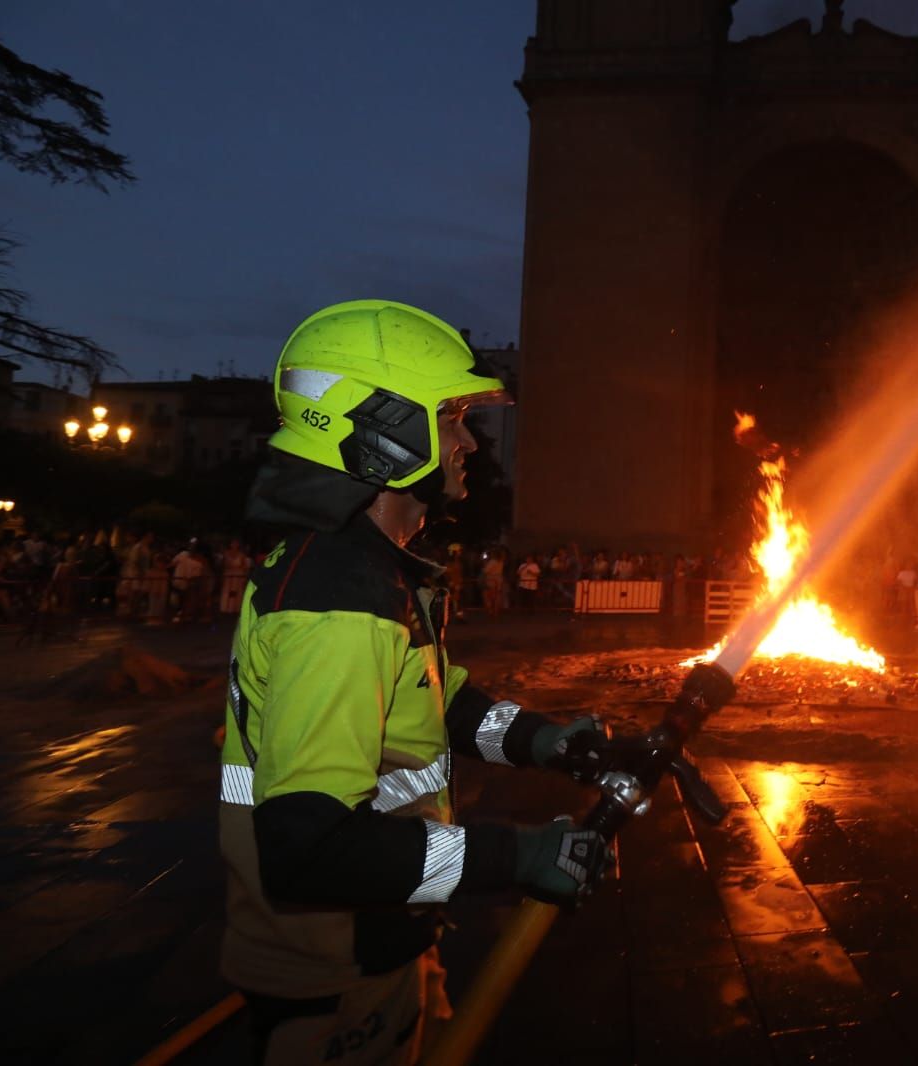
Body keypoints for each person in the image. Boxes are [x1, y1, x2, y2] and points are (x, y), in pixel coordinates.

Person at [217, 300, 609, 1065]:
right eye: (452, 417)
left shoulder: (360, 569)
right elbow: (310, 850)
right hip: (333, 968)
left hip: (376, 940)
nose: (469, 440)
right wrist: (518, 859)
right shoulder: (341, 597)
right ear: (383, 428)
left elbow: (434, 698)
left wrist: (543, 741)